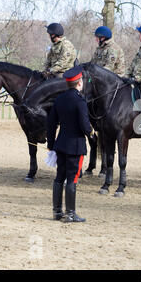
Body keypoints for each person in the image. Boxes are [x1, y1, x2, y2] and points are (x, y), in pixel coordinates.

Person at [47, 65, 94, 223]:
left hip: (60, 145)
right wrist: (92, 134)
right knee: (72, 179)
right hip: (75, 146)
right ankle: (71, 214)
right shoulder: (80, 101)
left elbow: (51, 123)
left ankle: (57, 212)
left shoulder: (59, 99)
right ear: (79, 82)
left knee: (59, 177)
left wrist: (51, 144)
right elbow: (85, 125)